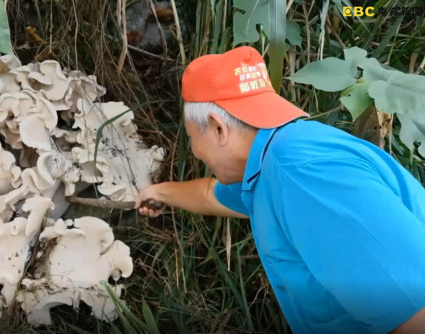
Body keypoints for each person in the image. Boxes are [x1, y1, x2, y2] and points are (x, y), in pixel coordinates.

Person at [134, 46, 425, 334]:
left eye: (191, 137)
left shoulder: (302, 176)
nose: (195, 151)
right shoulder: (271, 163)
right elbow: (213, 196)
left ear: (217, 128)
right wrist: (162, 193)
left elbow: (413, 312)